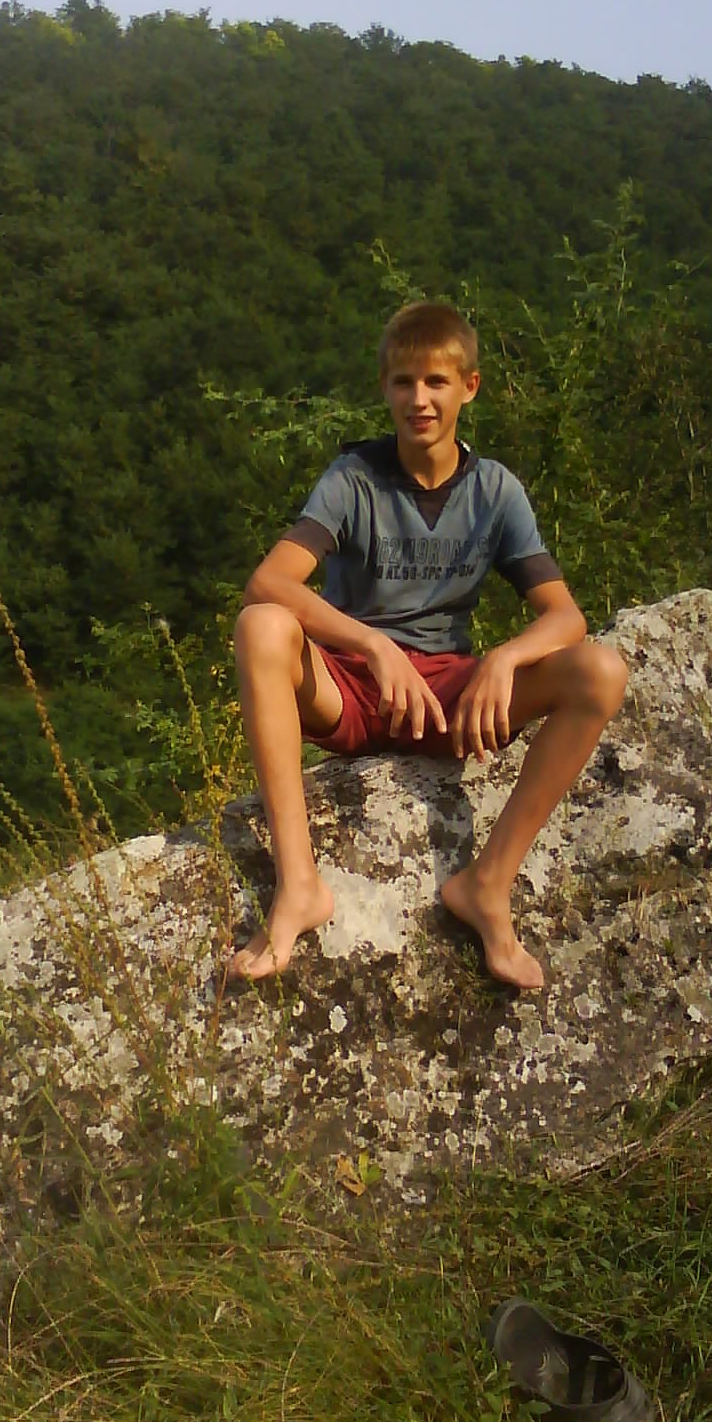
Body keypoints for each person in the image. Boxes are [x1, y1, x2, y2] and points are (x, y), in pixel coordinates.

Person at [228, 301, 627, 990]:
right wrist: (372, 646)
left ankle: (487, 885)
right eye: (404, 382)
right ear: (384, 388)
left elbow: (565, 616)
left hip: (446, 695)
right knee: (261, 624)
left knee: (600, 672)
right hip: (349, 687)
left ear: (469, 387)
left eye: (437, 382)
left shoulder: (494, 490)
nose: (420, 399)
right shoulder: (353, 478)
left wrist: (503, 658)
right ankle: (299, 886)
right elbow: (269, 582)